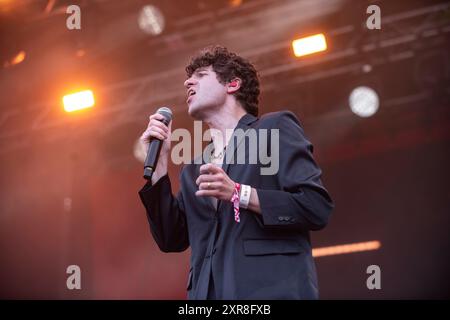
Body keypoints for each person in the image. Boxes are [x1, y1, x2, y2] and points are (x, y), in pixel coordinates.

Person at [138, 45, 334, 300]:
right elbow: (171, 239)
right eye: (189, 77)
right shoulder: (193, 170)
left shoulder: (273, 129)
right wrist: (160, 164)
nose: (188, 81)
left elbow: (316, 207)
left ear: (232, 84)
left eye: (201, 75)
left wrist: (239, 193)